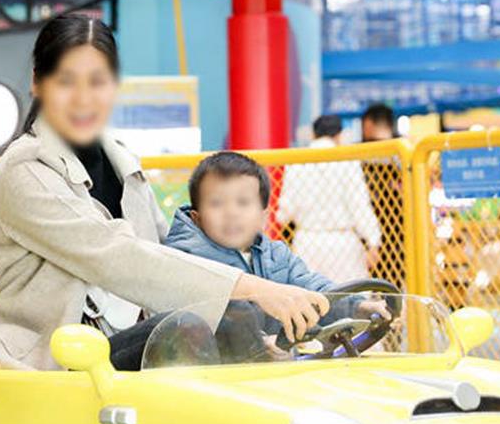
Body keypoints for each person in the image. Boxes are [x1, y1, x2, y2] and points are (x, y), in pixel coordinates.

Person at [0, 14, 330, 371]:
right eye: (66, 81)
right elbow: (115, 257)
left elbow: (167, 251)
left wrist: (265, 315)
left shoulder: (123, 163)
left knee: (233, 319)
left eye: (97, 81)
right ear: (37, 82)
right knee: (195, 326)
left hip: (119, 344)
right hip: (51, 358)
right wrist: (254, 289)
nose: (83, 98)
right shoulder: (23, 170)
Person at [164, 151, 389, 333]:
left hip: (275, 364)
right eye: (217, 203)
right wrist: (262, 345)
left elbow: (311, 287)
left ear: (263, 217)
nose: (231, 213)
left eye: (243, 202)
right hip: (217, 367)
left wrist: (357, 306)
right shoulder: (188, 259)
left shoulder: (276, 256)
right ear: (197, 217)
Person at [276, 114, 381, 284]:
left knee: (308, 296)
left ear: (313, 134)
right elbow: (359, 205)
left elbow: (285, 213)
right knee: (349, 296)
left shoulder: (296, 161)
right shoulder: (347, 161)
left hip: (307, 241)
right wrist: (373, 240)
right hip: (343, 242)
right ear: (339, 135)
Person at [360, 103, 407, 287]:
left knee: (369, 285)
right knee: (393, 285)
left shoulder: (360, 153)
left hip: (370, 230)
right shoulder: (404, 151)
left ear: (368, 123)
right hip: (399, 230)